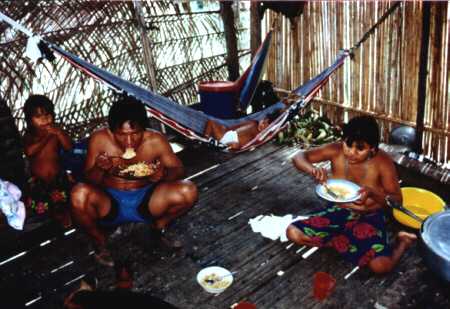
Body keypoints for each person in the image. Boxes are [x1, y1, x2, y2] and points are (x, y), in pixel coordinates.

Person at [71, 96, 198, 267]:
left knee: (188, 190)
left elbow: (179, 170)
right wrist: (100, 168)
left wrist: (163, 175)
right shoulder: (100, 139)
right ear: (111, 130)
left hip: (146, 199)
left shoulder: (155, 140)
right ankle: (101, 242)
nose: (129, 141)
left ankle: (157, 227)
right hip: (109, 203)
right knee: (78, 194)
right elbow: (88, 179)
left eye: (135, 133)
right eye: (122, 135)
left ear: (144, 129)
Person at [286, 115, 417, 274]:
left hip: (370, 215)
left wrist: (372, 192)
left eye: (360, 148)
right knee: (293, 233)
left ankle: (403, 241)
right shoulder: (335, 150)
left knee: (381, 266)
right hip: (338, 210)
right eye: (348, 144)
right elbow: (299, 157)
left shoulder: (383, 162)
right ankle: (342, 243)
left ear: (372, 149)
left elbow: (397, 200)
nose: (351, 152)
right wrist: (312, 170)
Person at [23, 94, 74, 228]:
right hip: (39, 180)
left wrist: (59, 134)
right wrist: (46, 136)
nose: (44, 120)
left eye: (47, 115)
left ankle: (64, 212)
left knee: (66, 197)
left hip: (58, 177)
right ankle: (55, 215)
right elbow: (29, 152)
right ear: (30, 120)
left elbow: (69, 147)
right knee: (41, 205)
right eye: (38, 117)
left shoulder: (56, 132)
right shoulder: (29, 136)